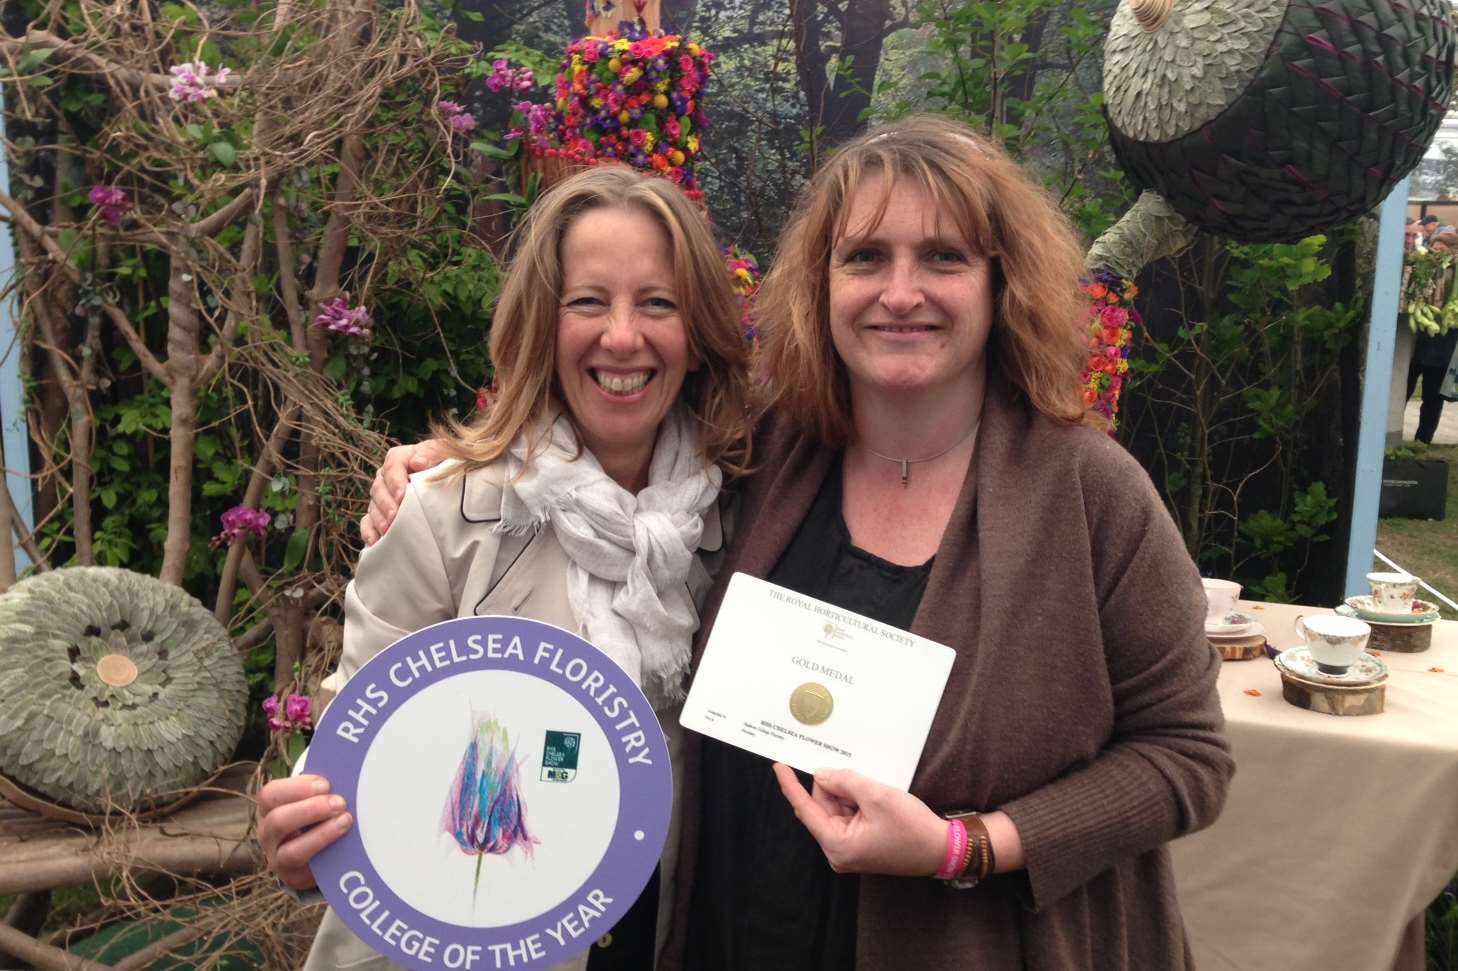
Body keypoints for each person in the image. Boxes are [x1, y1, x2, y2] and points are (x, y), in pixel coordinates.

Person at [369, 116, 1234, 970]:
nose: (901, 293)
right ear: (819, 283)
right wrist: (461, 465)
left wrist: (965, 845)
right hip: (732, 931)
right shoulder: (762, 454)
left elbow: (1186, 754)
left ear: (1000, 282)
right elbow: (613, 448)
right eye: (865, 257)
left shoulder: (1089, 493)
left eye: (943, 256)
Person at [256, 164, 754, 971]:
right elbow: (364, 732)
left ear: (696, 333)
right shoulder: (445, 512)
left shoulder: (742, 515)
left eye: (656, 302)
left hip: (661, 931)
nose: (621, 337)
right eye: (588, 301)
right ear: (541, 323)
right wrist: (304, 832)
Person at [1408, 230, 1458, 443]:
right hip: (1419, 342)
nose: (1435, 254)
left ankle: (1423, 439)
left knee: (1432, 396)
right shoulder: (1424, 270)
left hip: (1443, 346)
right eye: (1433, 249)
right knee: (1404, 388)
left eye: (1440, 251)